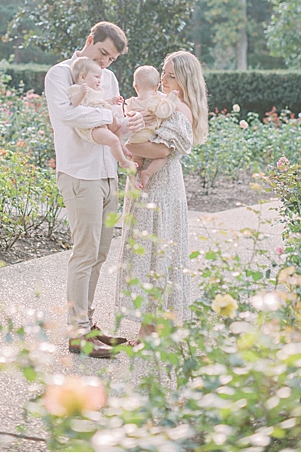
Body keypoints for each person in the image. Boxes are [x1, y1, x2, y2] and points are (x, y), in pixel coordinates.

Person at [44, 21, 131, 359]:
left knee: (100, 253)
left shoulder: (108, 78)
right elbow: (66, 114)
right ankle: (76, 332)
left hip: (108, 171)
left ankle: (88, 324)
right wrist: (106, 115)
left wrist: (127, 123)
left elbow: (115, 123)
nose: (106, 64)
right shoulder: (60, 74)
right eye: (103, 53)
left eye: (112, 59)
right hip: (80, 173)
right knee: (84, 252)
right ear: (89, 40)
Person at [115, 50, 209, 344]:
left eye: (171, 75)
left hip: (162, 187)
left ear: (184, 79)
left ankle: (150, 331)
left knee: (156, 251)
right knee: (150, 249)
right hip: (151, 184)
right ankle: (153, 327)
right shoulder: (166, 104)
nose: (164, 79)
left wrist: (126, 146)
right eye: (163, 73)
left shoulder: (179, 109)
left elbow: (161, 151)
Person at [67, 57, 134, 170]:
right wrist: (82, 94)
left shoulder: (98, 91)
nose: (99, 81)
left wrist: (112, 101)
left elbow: (100, 102)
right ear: (82, 77)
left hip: (104, 121)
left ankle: (122, 146)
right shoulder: (77, 89)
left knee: (117, 125)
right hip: (91, 128)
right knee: (113, 140)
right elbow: (73, 103)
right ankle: (123, 162)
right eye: (96, 77)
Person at [124, 64, 179, 189]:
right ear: (157, 87)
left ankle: (132, 177)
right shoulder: (155, 101)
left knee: (136, 160)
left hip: (134, 138)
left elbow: (127, 116)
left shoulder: (131, 102)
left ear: (135, 86)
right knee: (164, 156)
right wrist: (171, 99)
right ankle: (147, 173)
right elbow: (164, 112)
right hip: (148, 137)